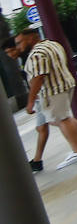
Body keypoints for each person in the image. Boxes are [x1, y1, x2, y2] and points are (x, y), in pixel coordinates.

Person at [16, 28, 77, 170]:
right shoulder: (53, 44)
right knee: (58, 119)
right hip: (65, 84)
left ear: (31, 38)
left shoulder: (36, 53)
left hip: (53, 90)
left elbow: (38, 77)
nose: (18, 46)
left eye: (20, 42)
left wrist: (30, 101)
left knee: (62, 119)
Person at [3, 38, 49, 170]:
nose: (11, 54)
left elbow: (37, 78)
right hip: (41, 96)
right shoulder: (22, 59)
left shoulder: (28, 57)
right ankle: (37, 160)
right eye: (8, 52)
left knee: (53, 121)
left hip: (42, 95)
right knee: (44, 126)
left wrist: (31, 100)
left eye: (12, 50)